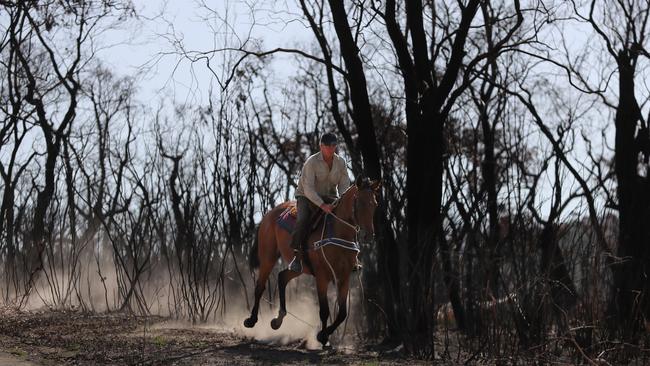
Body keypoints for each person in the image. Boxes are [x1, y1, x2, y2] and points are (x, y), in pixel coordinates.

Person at [288, 132, 351, 273]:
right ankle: (297, 256)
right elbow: (308, 188)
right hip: (307, 196)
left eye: (334, 145)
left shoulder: (341, 163)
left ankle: (352, 256)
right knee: (303, 219)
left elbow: (344, 184)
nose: (330, 148)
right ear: (321, 146)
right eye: (327, 146)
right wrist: (322, 206)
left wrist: (343, 199)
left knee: (347, 217)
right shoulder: (311, 162)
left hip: (330, 196)